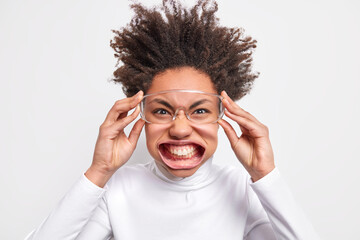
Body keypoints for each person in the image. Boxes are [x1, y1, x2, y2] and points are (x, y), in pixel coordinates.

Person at [25, 0, 319, 239]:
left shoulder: (240, 188)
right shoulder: (118, 188)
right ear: (141, 116)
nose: (179, 129)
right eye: (162, 111)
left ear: (223, 116)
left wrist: (265, 174)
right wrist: (99, 171)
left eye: (200, 110)